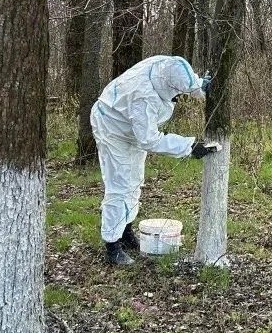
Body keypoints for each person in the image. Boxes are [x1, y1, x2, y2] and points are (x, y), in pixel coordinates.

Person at [90, 55, 219, 266]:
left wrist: (201, 88)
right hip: (112, 127)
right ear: (168, 86)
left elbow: (187, 81)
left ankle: (125, 232)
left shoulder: (166, 65)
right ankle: (112, 245)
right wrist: (188, 146)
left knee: (135, 181)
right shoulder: (144, 97)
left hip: (130, 127)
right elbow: (149, 140)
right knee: (120, 186)